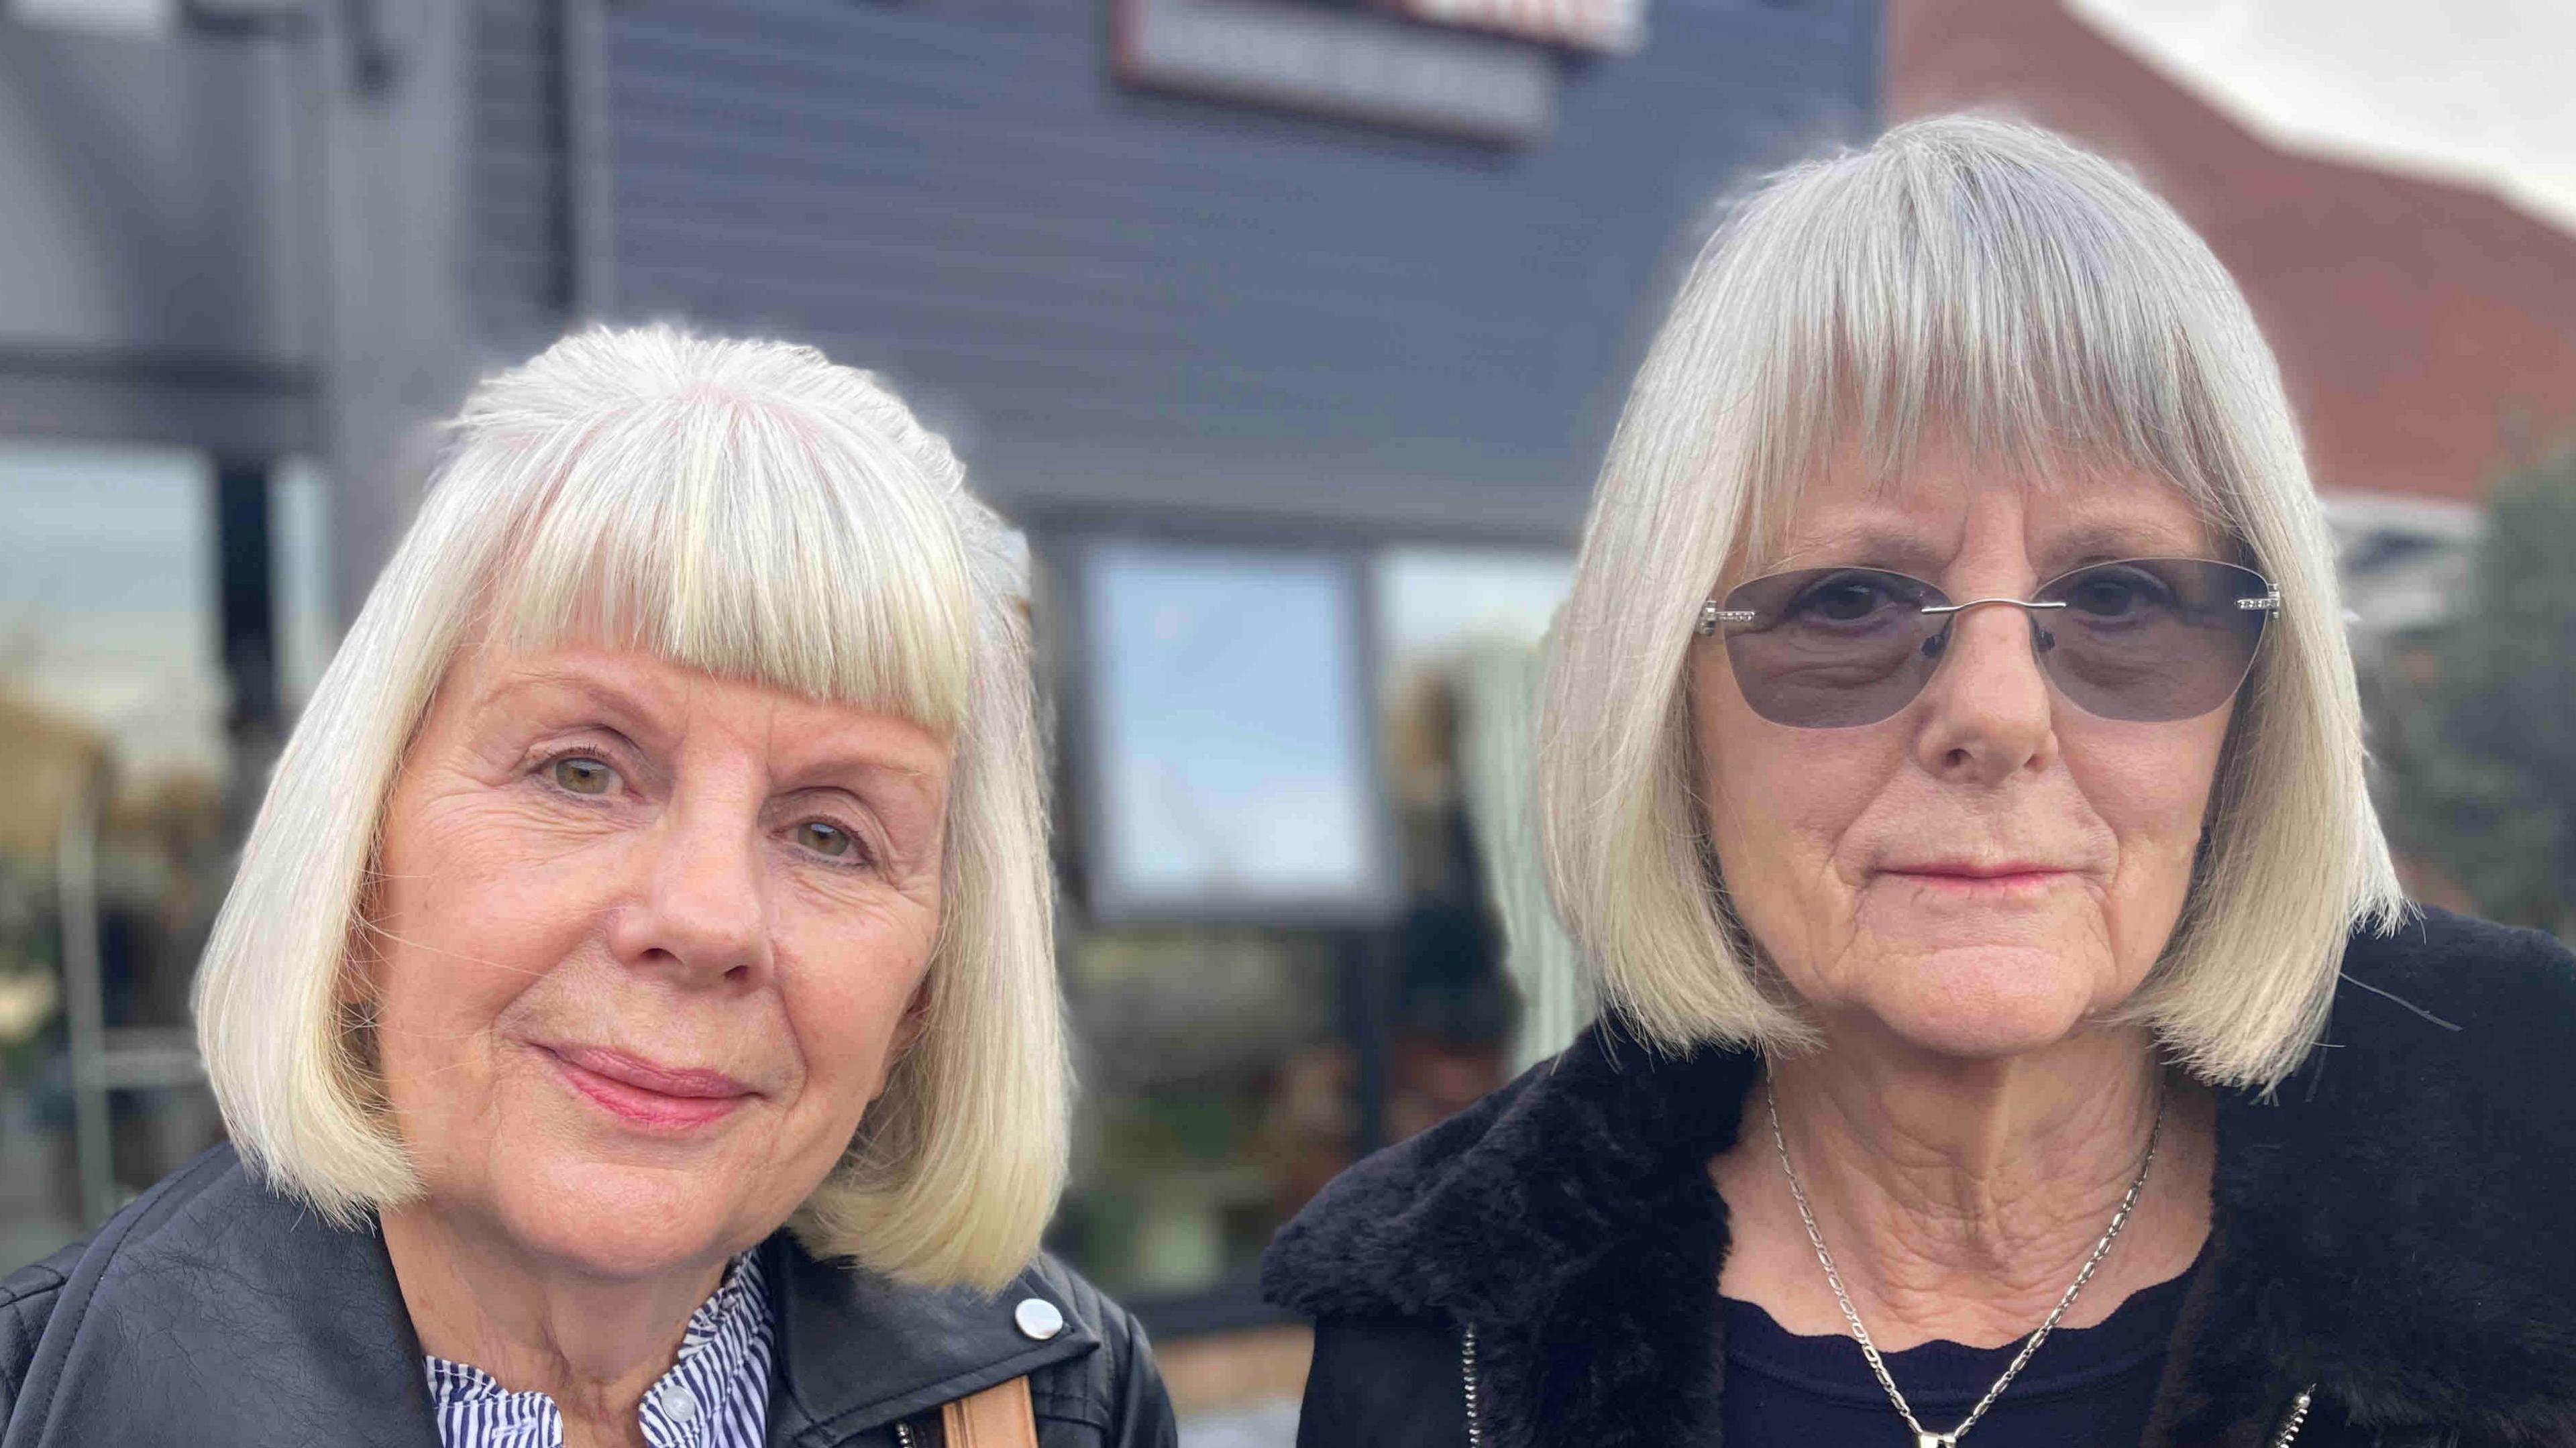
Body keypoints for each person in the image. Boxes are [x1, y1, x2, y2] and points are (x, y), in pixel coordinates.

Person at [1263, 117, 2576, 1447]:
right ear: (1666, 700)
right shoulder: (1433, 1348)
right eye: (1847, 600)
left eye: (2118, 595)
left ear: (2260, 703)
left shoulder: (2542, 1201)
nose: (1996, 714)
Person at [0, 327, 1177, 1448]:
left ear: (925, 992)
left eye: (830, 834)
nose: (707, 918)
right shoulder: (46, 1405)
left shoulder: (1060, 1406)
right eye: (581, 771)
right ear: (359, 870)